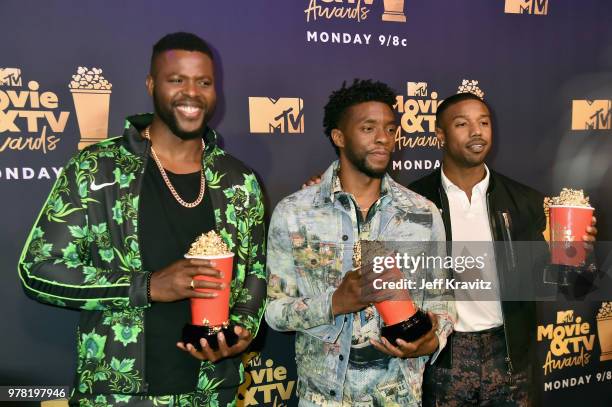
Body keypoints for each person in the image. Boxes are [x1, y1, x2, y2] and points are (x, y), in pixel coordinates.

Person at [18, 32, 267, 406]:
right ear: (152, 85)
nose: (191, 93)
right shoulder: (95, 168)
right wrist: (146, 286)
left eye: (204, 82)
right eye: (176, 80)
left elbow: (256, 275)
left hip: (212, 392)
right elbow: (38, 270)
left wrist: (241, 331)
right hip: (119, 394)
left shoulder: (238, 179)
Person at [265, 79, 456, 406]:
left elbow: (442, 302)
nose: (383, 138)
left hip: (398, 396)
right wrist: (334, 302)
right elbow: (274, 311)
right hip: (322, 397)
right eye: (368, 128)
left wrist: (431, 340)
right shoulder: (295, 212)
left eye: (389, 128)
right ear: (339, 137)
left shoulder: (422, 214)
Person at [408, 92, 597, 406]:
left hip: (509, 357)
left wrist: (580, 254)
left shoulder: (524, 201)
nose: (477, 131)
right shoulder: (412, 201)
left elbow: (568, 286)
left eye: (484, 122)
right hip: (444, 360)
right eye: (462, 124)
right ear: (440, 135)